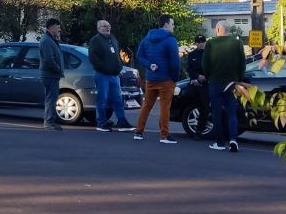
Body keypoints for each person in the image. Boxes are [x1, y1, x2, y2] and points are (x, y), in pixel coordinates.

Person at [133, 14, 181, 144]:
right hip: (166, 79)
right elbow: (175, 62)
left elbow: (139, 55)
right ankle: (164, 135)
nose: (173, 26)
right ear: (166, 24)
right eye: (172, 24)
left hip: (151, 78)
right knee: (165, 107)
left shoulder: (148, 38)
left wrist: (149, 65)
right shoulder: (170, 40)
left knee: (147, 105)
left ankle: (139, 131)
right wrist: (175, 78)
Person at [202, 20, 245, 153]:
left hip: (215, 82)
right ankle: (233, 140)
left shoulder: (210, 43)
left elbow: (205, 64)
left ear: (218, 30)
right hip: (231, 83)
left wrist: (208, 76)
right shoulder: (237, 43)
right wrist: (238, 79)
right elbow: (242, 64)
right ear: (228, 30)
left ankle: (220, 142)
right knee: (232, 113)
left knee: (216, 114)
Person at [88, 19, 135, 132]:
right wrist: (104, 67)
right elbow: (93, 57)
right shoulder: (95, 40)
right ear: (99, 28)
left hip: (114, 75)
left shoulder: (112, 38)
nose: (107, 27)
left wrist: (119, 65)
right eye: (104, 26)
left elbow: (117, 53)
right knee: (102, 99)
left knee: (117, 99)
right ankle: (101, 123)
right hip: (102, 75)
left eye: (109, 25)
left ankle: (122, 122)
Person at [39, 18, 65, 130]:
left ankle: (51, 121)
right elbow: (49, 59)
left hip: (53, 74)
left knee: (52, 97)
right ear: (52, 27)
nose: (59, 30)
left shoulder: (51, 40)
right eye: (58, 27)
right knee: (51, 98)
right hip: (50, 74)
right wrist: (58, 69)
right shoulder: (46, 41)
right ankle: (49, 122)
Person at [185, 35, 210, 138]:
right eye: (198, 42)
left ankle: (199, 130)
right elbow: (189, 69)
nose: (200, 43)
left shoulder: (209, 54)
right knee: (193, 105)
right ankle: (193, 128)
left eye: (202, 41)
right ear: (195, 43)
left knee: (205, 107)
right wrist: (196, 76)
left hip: (206, 84)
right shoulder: (192, 54)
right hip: (195, 84)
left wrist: (205, 77)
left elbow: (212, 68)